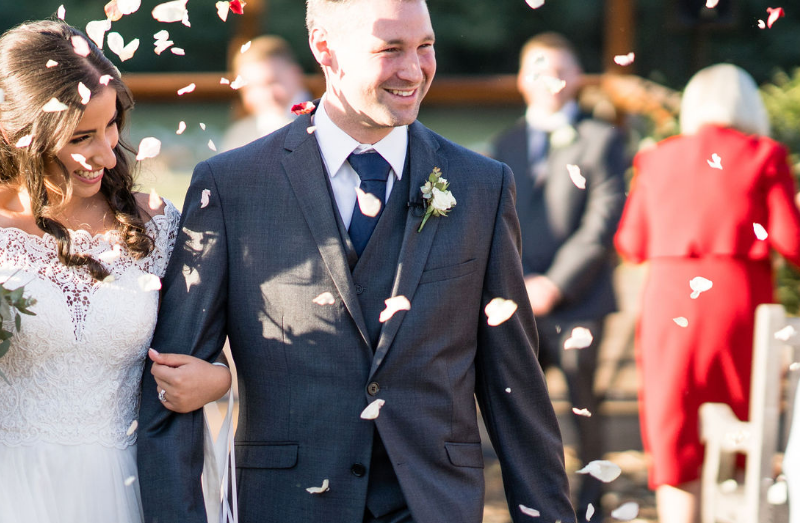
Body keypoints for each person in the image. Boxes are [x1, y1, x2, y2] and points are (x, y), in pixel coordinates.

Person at [138, 1, 575, 522]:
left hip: (433, 502)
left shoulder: (482, 185)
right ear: (325, 48)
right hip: (287, 505)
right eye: (390, 49)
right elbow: (170, 379)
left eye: (425, 46)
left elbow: (515, 387)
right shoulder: (232, 185)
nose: (414, 70)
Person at [0, 21, 233, 523]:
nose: (108, 154)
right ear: (16, 133)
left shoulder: (158, 224)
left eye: (112, 126)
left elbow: (224, 345)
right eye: (81, 137)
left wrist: (217, 380)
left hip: (123, 488)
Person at [615, 63, 800, 523]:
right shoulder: (763, 154)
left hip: (671, 304)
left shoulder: (657, 158)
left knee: (674, 425)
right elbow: (792, 242)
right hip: (738, 304)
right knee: (744, 423)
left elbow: (631, 243)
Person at [490, 32, 628, 521]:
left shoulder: (604, 139)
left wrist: (555, 284)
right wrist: (517, 283)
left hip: (581, 300)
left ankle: (591, 505)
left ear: (575, 77)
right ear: (523, 80)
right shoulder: (503, 141)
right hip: (516, 297)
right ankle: (531, 504)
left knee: (583, 407)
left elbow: (602, 222)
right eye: (539, 69)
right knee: (519, 409)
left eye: (561, 68)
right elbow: (493, 219)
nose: (551, 78)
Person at [221, 35, 312, 151]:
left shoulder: (325, 120)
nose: (265, 95)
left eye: (271, 82)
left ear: (295, 74)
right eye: (251, 88)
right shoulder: (238, 137)